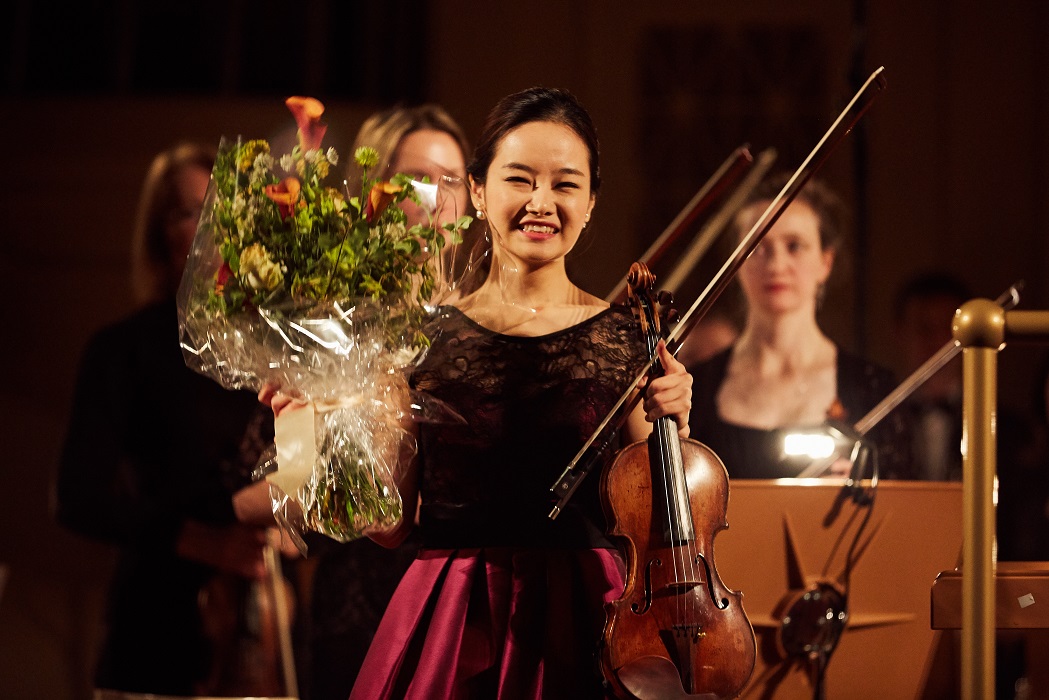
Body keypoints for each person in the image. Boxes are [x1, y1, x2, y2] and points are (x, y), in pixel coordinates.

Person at [261, 86, 694, 699]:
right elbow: (386, 522)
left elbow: (655, 519)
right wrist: (309, 434)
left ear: (592, 202)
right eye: (520, 179)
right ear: (479, 191)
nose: (541, 202)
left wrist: (673, 420)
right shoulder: (419, 338)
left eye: (566, 184)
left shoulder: (629, 338)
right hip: (457, 618)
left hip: (591, 622)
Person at [54, 141, 299, 696]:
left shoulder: (282, 344)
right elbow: (76, 498)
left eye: (224, 208)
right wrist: (193, 537)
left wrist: (295, 524)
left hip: (269, 629)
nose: (213, 225)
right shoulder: (123, 349)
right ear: (162, 234)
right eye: (192, 211)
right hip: (156, 625)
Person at [298, 104, 474, 700]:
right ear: (376, 191)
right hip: (359, 597)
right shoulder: (327, 319)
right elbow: (295, 487)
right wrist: (305, 426)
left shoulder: (481, 322)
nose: (438, 198)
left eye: (454, 181)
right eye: (420, 178)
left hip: (461, 599)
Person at [686, 172, 911, 480]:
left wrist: (867, 493)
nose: (776, 265)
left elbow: (905, 513)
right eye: (757, 247)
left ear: (825, 262)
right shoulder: (694, 389)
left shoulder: (874, 390)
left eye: (794, 246)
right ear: (736, 262)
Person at [891, 271, 973, 481]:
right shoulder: (881, 424)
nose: (937, 341)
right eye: (924, 328)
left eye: (948, 328)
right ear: (899, 333)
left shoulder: (1005, 429)